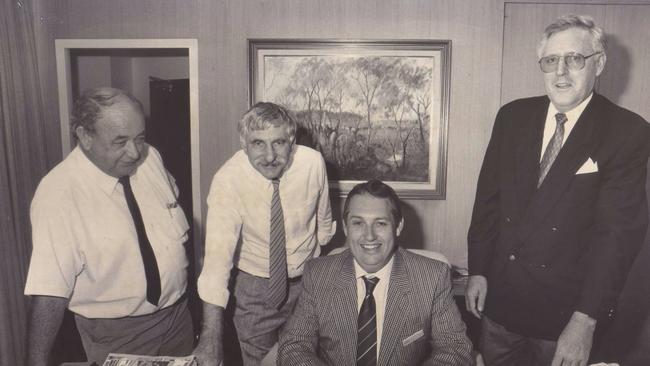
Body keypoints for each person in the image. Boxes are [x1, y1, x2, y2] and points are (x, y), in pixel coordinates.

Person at [466, 14, 650, 366]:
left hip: (565, 316)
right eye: (551, 61)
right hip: (502, 303)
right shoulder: (512, 117)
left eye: (574, 59)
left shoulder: (628, 132)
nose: (561, 72)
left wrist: (585, 321)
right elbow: (487, 201)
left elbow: (617, 238)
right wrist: (478, 269)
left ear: (600, 64)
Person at [24, 87, 194, 366]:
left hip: (178, 319)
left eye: (140, 138)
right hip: (118, 334)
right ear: (84, 136)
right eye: (120, 141)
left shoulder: (151, 158)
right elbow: (49, 292)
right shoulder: (58, 193)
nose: (135, 152)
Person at [194, 102, 335, 365]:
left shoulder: (312, 163)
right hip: (254, 289)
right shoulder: (227, 180)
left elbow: (324, 222)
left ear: (291, 140)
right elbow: (216, 263)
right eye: (258, 143)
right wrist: (210, 336)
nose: (270, 156)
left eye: (279, 143)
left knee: (307, 359)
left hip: (308, 283)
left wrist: (319, 268)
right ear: (243, 143)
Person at [278, 179, 473, 365]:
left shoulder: (432, 277)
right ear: (345, 227)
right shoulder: (318, 274)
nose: (369, 235)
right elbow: (295, 345)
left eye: (380, 223)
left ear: (398, 227)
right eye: (358, 223)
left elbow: (455, 348)